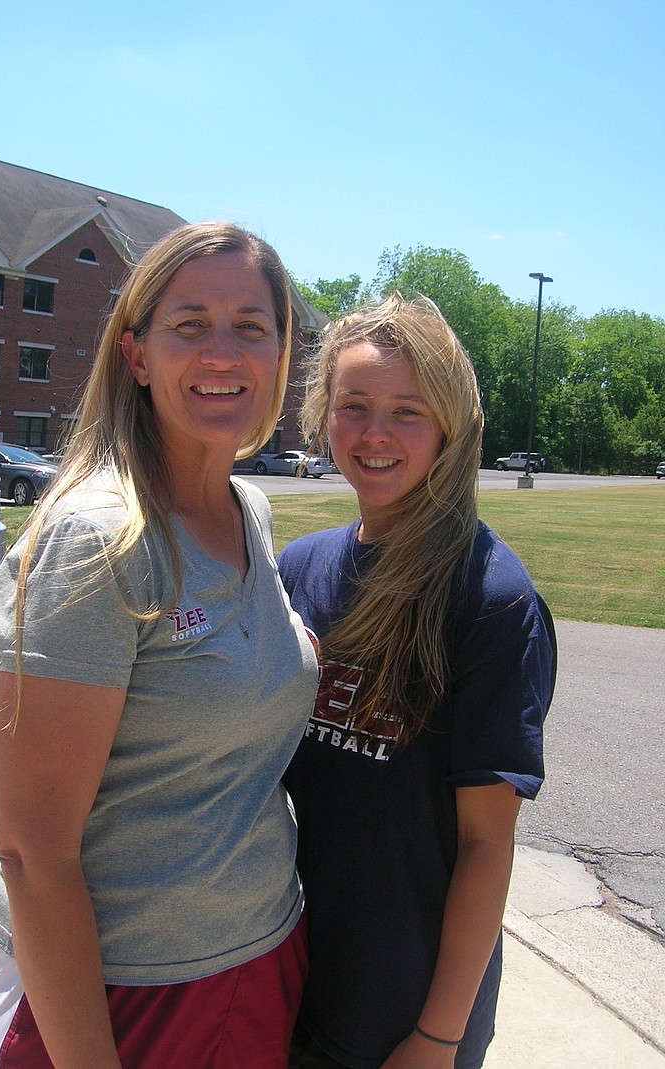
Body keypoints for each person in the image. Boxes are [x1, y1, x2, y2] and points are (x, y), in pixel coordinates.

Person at [0, 222, 319, 1069]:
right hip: (106, 998)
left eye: (251, 327)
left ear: (281, 354)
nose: (222, 351)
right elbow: (34, 855)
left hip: (254, 961)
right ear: (138, 354)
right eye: (189, 323)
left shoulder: (251, 513)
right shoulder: (98, 539)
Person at [280, 294, 557, 1069]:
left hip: (402, 1010)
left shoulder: (491, 599)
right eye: (354, 405)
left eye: (408, 409)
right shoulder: (299, 568)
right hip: (285, 968)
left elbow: (484, 843)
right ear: (322, 414)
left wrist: (437, 1036)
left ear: (450, 424)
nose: (375, 433)